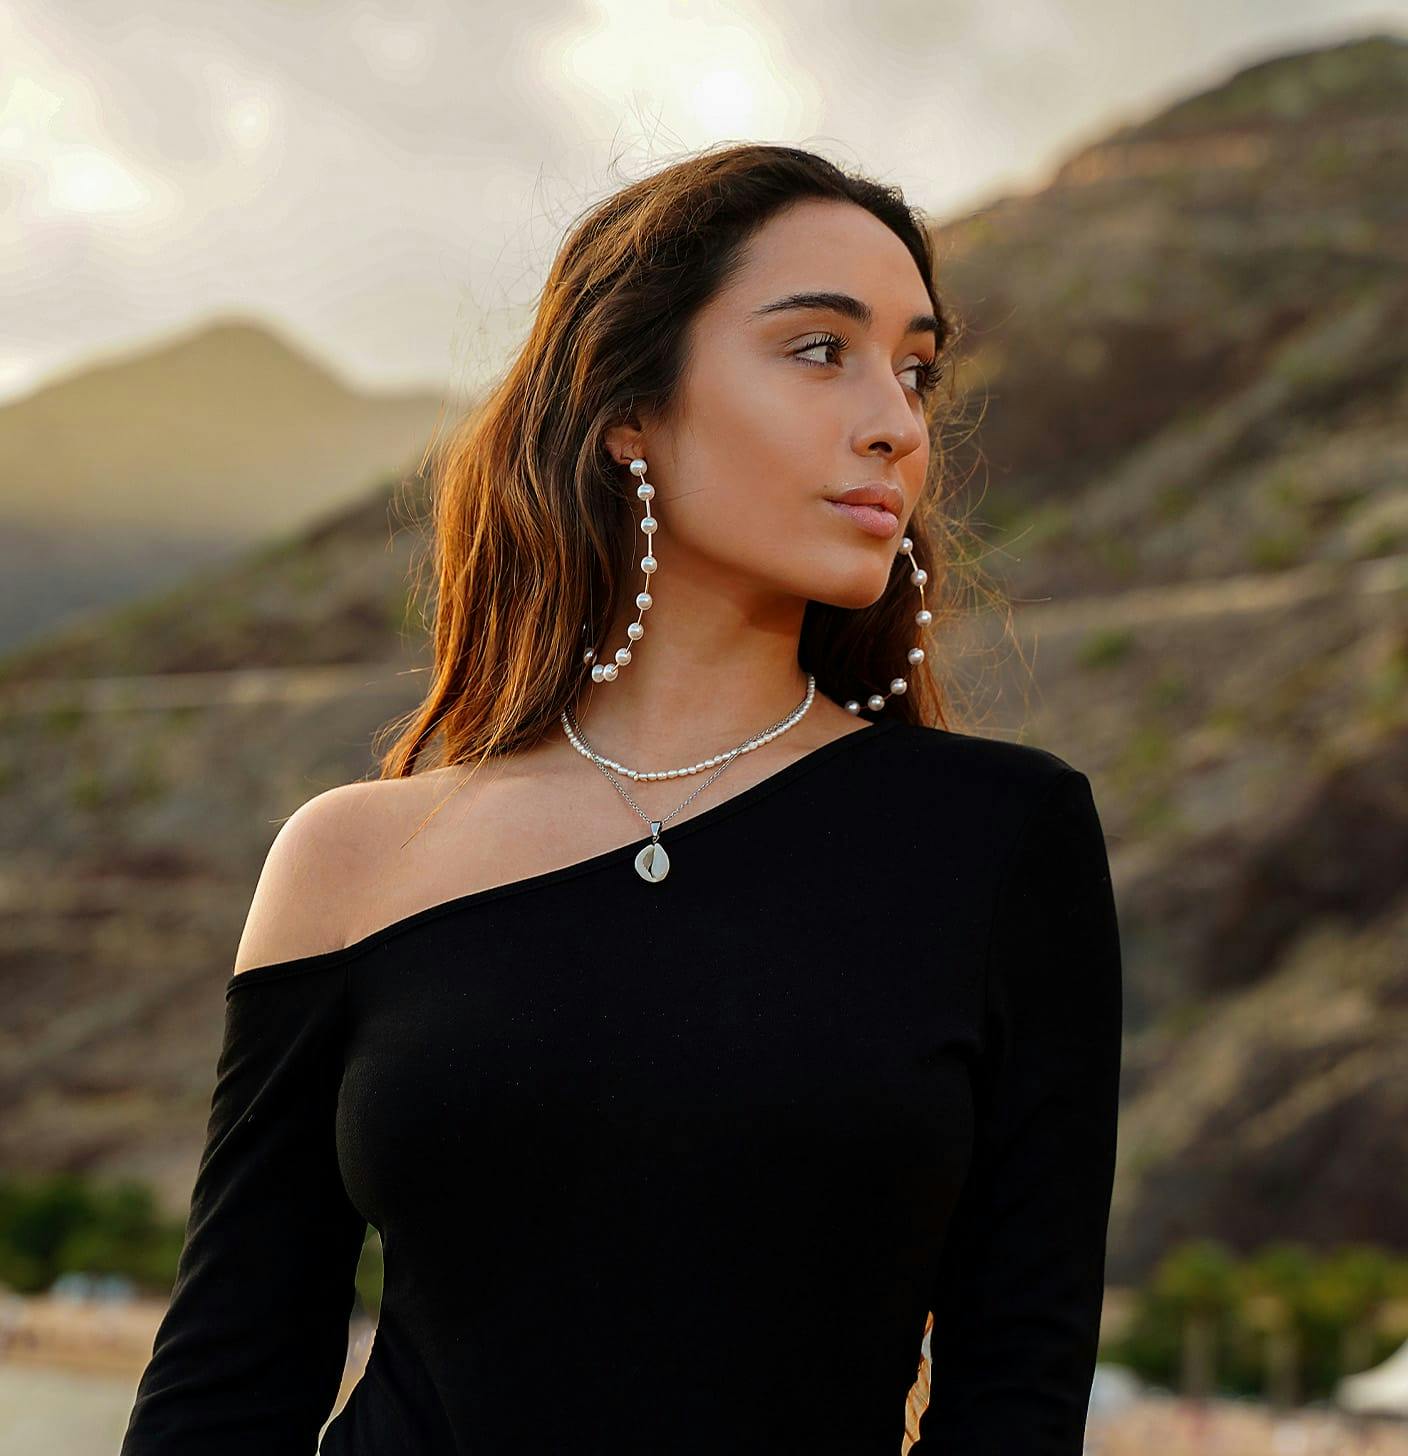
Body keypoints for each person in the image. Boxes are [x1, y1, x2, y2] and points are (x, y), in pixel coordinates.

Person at [119, 141, 1123, 1454]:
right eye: (821, 348)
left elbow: (1016, 1400)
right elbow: (223, 1390)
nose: (899, 421)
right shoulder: (350, 861)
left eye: (917, 367)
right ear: (626, 408)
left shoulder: (999, 843)